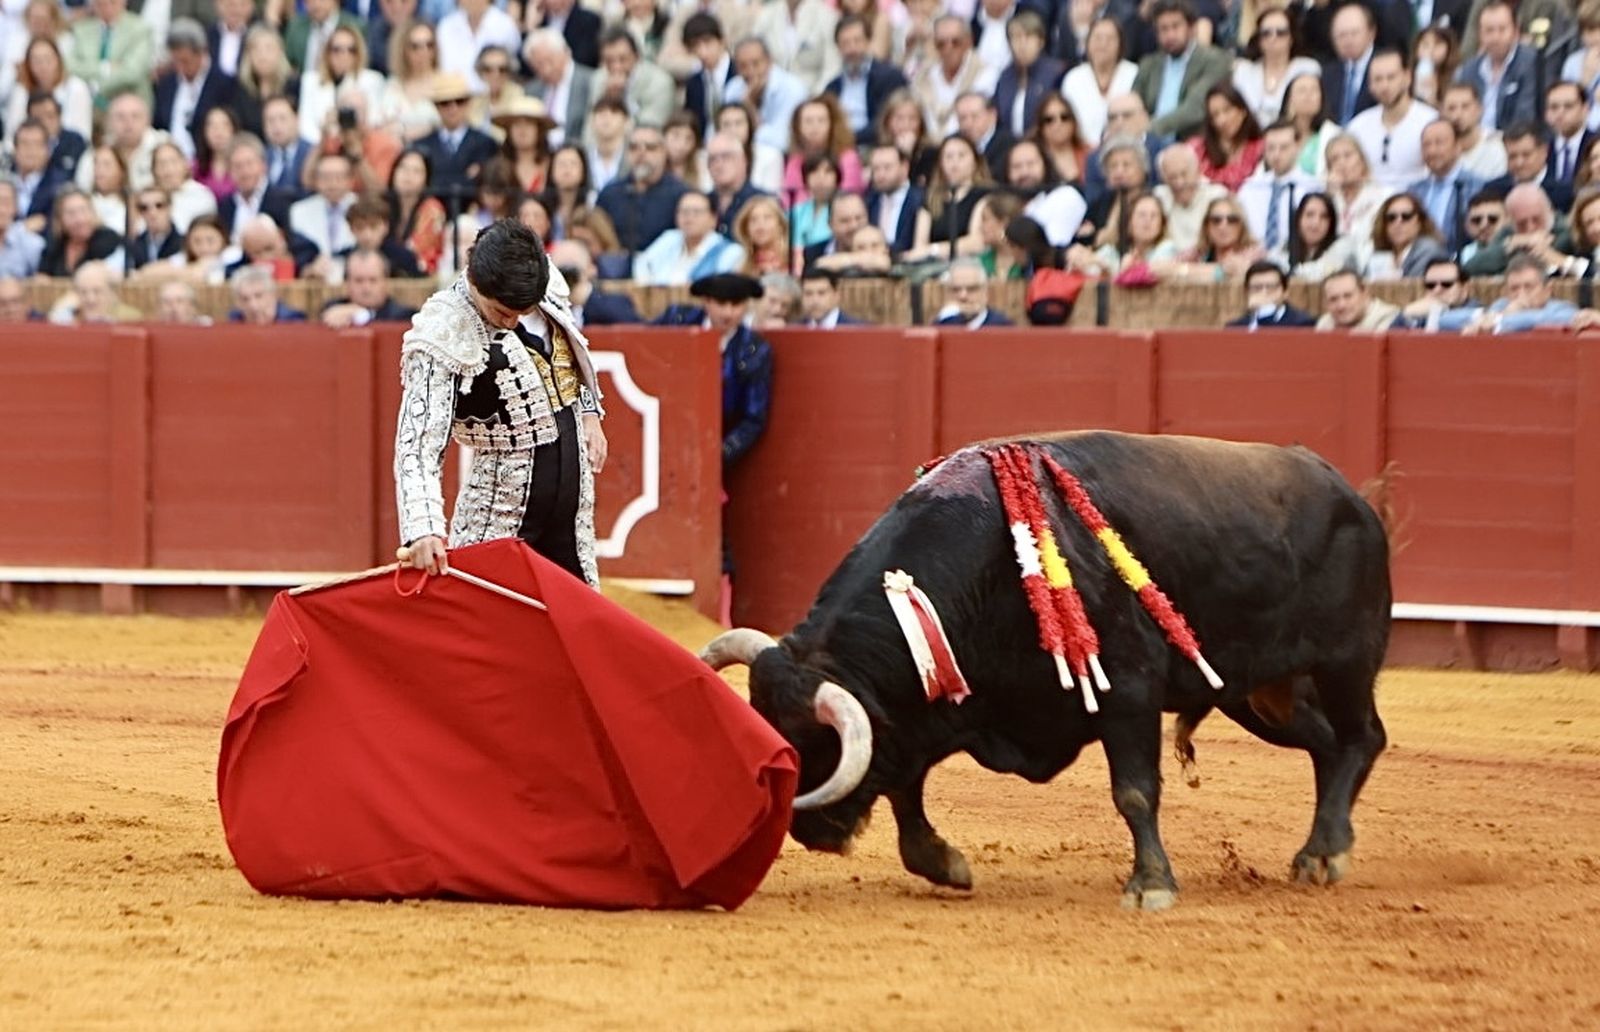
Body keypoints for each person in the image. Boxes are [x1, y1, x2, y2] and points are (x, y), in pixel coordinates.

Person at [396, 218, 608, 587]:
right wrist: (423, 528)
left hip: (573, 500)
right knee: (483, 606)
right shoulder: (443, 326)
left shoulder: (539, 279)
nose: (511, 323)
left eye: (521, 312)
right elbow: (418, 443)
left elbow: (572, 353)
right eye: (501, 312)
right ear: (474, 278)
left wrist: (589, 412)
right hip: (501, 507)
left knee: (576, 607)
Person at [650, 271, 771, 623]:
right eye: (721, 303)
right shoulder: (675, 323)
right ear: (706, 302)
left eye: (736, 304)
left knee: (714, 535)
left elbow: (753, 419)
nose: (728, 313)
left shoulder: (755, 351)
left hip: (715, 456)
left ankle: (716, 616)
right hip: (661, 445)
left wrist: (716, 456)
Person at [1129, 0, 1232, 141]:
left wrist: (1148, 128)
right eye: (1164, 29)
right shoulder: (1149, 64)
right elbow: (1133, 101)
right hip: (1147, 142)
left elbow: (1195, 109)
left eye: (1176, 26)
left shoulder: (1214, 60)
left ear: (1191, 28)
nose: (1170, 35)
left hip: (1192, 142)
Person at [1344, 50, 1435, 189]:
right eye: (1378, 79)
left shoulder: (1430, 121)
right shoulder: (1358, 126)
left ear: (1407, 77)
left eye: (1391, 77)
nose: (1384, 86)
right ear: (1370, 85)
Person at [1454, 1, 1538, 131]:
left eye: (1502, 29)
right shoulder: (1469, 70)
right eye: (1489, 30)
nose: (1495, 37)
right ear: (1480, 34)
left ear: (1516, 32)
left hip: (1512, 138)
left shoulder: (1530, 62)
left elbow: (1526, 116)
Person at [1232, 7, 1320, 129]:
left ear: (1291, 38)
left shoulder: (1307, 68)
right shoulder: (1243, 71)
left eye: (1281, 32)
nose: (1273, 38)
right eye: (1266, 33)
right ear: (1259, 39)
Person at [632, 190, 745, 285]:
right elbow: (642, 264)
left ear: (713, 219)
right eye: (684, 212)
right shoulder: (670, 238)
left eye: (697, 212)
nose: (689, 218)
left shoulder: (730, 252)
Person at [1060, 16, 1137, 148]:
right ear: (1087, 43)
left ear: (1121, 44)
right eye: (1097, 38)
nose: (1103, 44)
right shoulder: (1073, 78)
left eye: (1110, 39)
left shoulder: (1134, 73)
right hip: (1082, 149)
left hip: (1127, 147)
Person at [1462, 254, 1580, 333]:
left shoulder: (1561, 308)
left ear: (1547, 290)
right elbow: (1482, 320)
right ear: (1506, 292)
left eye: (1529, 287)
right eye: (1514, 288)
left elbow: (1564, 318)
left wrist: (1502, 320)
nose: (1521, 294)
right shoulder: (1502, 305)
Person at [1153, 143, 1228, 254]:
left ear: (1198, 171)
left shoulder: (1217, 196)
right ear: (1164, 179)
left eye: (1184, 174)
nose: (1180, 183)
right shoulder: (1158, 198)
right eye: (1172, 177)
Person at [549, 238, 641, 326]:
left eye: (573, 271)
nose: (567, 278)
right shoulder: (546, 307)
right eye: (559, 271)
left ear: (591, 269)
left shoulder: (610, 304)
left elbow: (634, 324)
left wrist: (588, 298)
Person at [320, 249, 418, 327]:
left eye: (373, 280)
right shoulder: (334, 308)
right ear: (347, 283)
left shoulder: (405, 316)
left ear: (385, 282)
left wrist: (363, 314)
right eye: (359, 280)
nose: (366, 288)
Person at [1364, 194, 1450, 281]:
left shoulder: (1429, 250)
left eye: (1406, 216)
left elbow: (1411, 285)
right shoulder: (1379, 255)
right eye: (1391, 218)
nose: (1398, 223)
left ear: (1419, 222)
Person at [1287, 192, 1359, 282]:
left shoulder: (1344, 246)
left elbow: (1322, 274)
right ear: (1298, 218)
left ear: (1331, 223)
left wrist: (1290, 273)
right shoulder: (1285, 248)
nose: (1316, 223)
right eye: (1309, 215)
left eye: (1324, 217)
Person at [1227, 260, 1317, 329]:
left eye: (1271, 287)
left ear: (1285, 292)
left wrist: (1265, 311)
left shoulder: (1302, 324)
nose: (1264, 293)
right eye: (1257, 288)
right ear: (1247, 292)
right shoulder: (1235, 328)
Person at [1400, 258, 1483, 330]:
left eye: (1447, 284)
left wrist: (1436, 312)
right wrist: (1405, 314)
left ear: (1464, 287)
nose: (1437, 290)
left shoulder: (1477, 312)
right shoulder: (1421, 313)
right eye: (1431, 285)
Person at [935, 256, 1014, 327]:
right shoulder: (942, 325)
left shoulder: (1003, 327)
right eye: (956, 289)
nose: (963, 296)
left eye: (971, 289)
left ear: (985, 291)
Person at [1316, 269, 1403, 331]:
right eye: (1333, 299)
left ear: (1364, 293)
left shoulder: (1390, 320)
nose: (1341, 305)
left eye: (1348, 296)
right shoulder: (1325, 324)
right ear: (1325, 303)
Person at [229, 265, 308, 323]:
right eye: (244, 299)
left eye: (259, 296)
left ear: (273, 294)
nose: (253, 305)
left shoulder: (293, 321)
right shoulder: (235, 320)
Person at [798, 265, 864, 327]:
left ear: (836, 295)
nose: (815, 300)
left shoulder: (858, 329)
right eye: (808, 294)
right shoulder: (795, 328)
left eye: (821, 293)